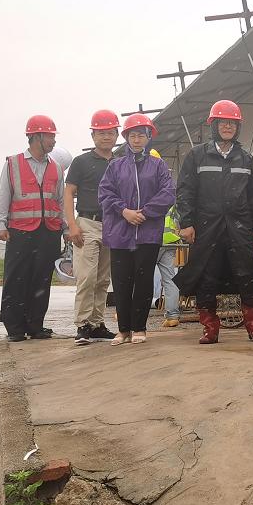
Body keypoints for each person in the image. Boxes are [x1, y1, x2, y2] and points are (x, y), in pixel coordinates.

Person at [172, 100, 253, 345]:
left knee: (247, 275)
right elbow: (185, 192)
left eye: (232, 123)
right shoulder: (196, 156)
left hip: (240, 227)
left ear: (238, 127)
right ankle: (210, 328)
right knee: (207, 276)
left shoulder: (245, 159)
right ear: (213, 125)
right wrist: (187, 223)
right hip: (206, 228)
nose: (228, 126)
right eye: (223, 122)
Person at [97, 114, 176, 345]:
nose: (137, 139)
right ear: (126, 138)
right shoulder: (116, 166)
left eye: (142, 135)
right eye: (133, 135)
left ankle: (139, 328)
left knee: (143, 282)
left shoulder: (158, 166)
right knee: (121, 282)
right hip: (120, 233)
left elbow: (168, 193)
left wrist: (145, 212)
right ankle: (123, 330)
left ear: (149, 137)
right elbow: (105, 193)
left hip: (148, 234)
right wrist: (124, 211)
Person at [0, 115, 67, 342]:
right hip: (20, 231)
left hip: (49, 231)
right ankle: (14, 328)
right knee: (16, 278)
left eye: (54, 136)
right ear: (35, 137)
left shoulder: (56, 168)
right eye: (50, 136)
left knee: (41, 280)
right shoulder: (13, 163)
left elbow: (61, 201)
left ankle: (36, 326)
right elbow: (4, 195)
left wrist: (65, 229)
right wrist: (0, 224)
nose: (53, 141)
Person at [66, 109, 119, 345]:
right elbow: (68, 193)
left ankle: (97, 324)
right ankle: (83, 324)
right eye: (101, 133)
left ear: (117, 134)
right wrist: (72, 225)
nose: (106, 137)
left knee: (103, 278)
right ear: (93, 136)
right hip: (87, 222)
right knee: (86, 276)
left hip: (113, 225)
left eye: (110, 132)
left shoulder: (120, 163)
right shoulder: (81, 162)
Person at [149, 149, 182, 328]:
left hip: (151, 240)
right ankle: (173, 316)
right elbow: (178, 214)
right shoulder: (169, 187)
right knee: (169, 279)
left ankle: (132, 313)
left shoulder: (145, 185)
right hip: (169, 241)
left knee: (142, 277)